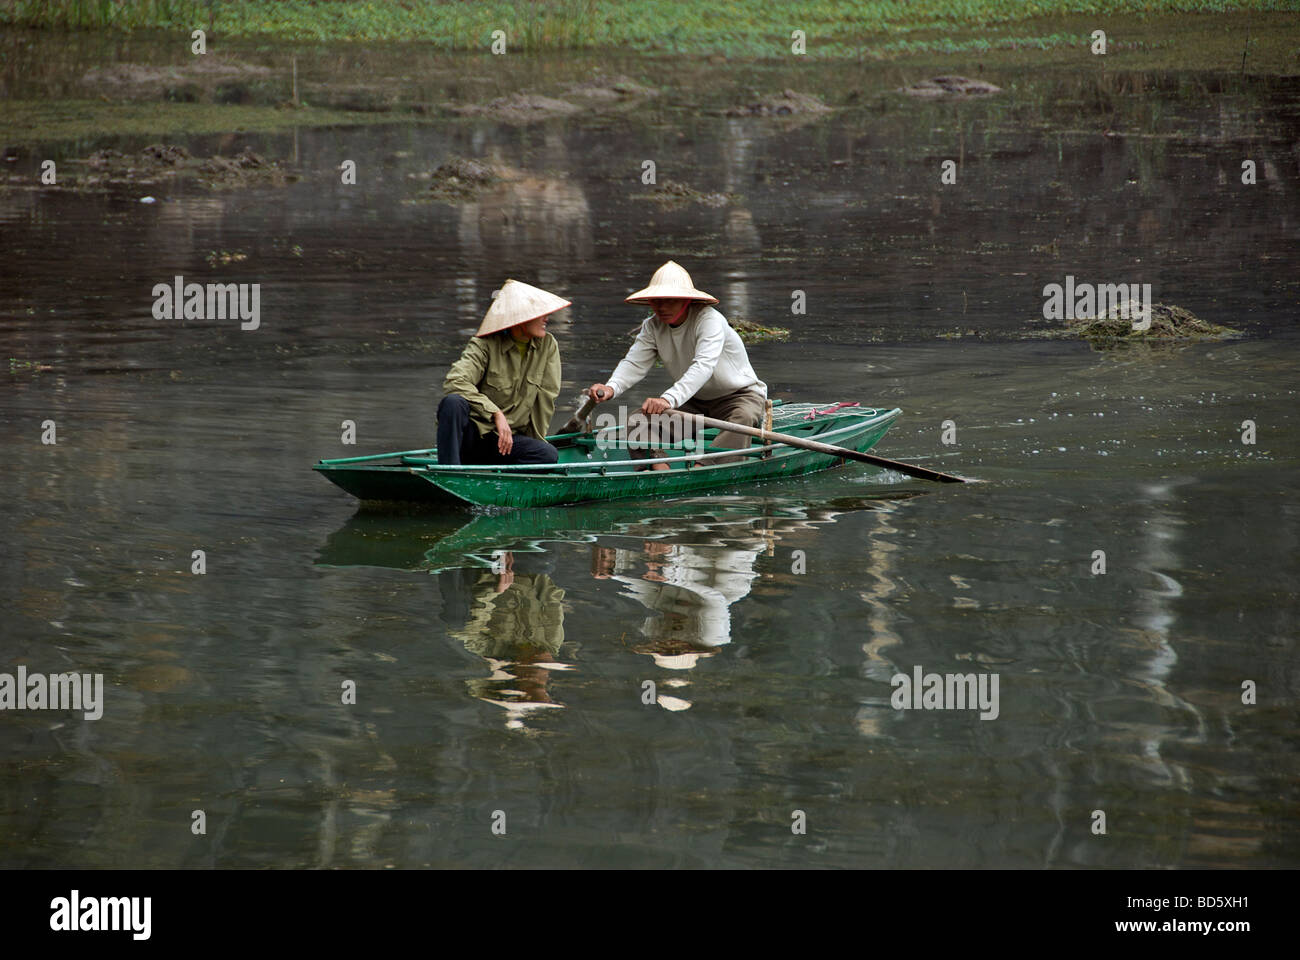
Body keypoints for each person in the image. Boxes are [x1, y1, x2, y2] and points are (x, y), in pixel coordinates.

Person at [586, 261, 767, 469]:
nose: (661, 308)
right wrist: (611, 387)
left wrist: (667, 399)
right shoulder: (652, 326)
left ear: (686, 300)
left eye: (669, 300)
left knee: (742, 419)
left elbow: (703, 366)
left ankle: (704, 469)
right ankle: (659, 470)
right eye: (656, 301)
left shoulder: (709, 320)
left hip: (738, 397)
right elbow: (634, 362)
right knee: (637, 421)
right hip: (694, 400)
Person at [437, 279, 567, 465]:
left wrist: (536, 443)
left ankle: (502, 477)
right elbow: (455, 382)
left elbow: (544, 401)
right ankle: (449, 471)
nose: (547, 318)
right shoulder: (484, 344)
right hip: (474, 436)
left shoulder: (547, 345)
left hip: (507, 443)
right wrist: (495, 413)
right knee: (452, 402)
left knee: (547, 455)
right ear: (521, 318)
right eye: (540, 313)